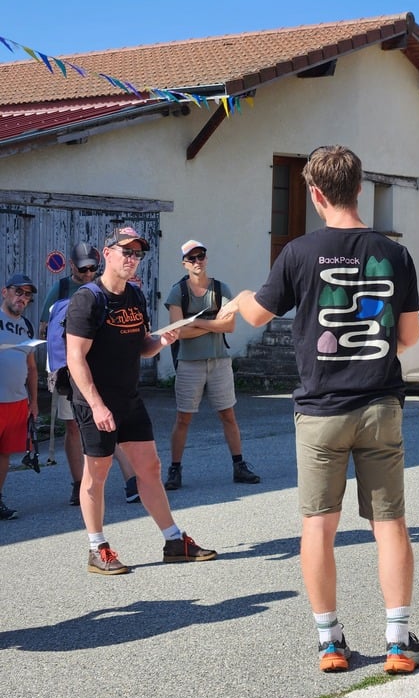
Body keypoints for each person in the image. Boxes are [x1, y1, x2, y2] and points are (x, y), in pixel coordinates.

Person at [217, 145, 419, 674]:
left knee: (318, 527)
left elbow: (259, 316)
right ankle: (398, 642)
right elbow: (409, 336)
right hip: (380, 405)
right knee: (391, 526)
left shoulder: (298, 253)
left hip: (320, 412)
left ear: (314, 194)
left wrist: (240, 298)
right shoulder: (395, 254)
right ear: (359, 188)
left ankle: (329, 642)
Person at [66, 226, 217, 575]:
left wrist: (163, 341)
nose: (132, 259)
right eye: (126, 252)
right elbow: (75, 358)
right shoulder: (87, 299)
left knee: (150, 469)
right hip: (96, 402)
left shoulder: (134, 295)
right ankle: (96, 547)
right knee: (97, 474)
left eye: (137, 254)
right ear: (107, 253)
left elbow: (143, 346)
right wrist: (98, 405)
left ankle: (173, 541)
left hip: (129, 399)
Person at [40, 242, 141, 506]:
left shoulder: (103, 288)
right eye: (83, 268)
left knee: (109, 424)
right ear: (72, 265)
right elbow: (44, 327)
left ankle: (131, 481)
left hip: (102, 372)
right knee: (73, 428)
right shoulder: (60, 289)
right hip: (69, 369)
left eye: (92, 268)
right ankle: (78, 485)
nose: (88, 273)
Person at [163, 239, 260, 490]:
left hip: (219, 362)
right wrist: (210, 323)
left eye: (201, 256)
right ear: (184, 263)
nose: (198, 262)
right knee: (183, 418)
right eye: (192, 258)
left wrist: (195, 323)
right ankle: (175, 469)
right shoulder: (178, 292)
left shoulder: (220, 288)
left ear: (206, 258)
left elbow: (228, 326)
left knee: (228, 415)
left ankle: (239, 466)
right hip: (189, 363)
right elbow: (178, 332)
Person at [0, 273, 39, 520]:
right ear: (5, 292)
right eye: (18, 292)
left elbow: (32, 367)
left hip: (16, 401)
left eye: (27, 295)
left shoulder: (26, 326)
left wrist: (33, 401)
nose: (23, 298)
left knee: (4, 454)